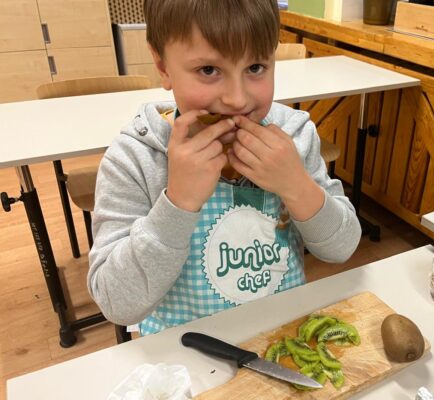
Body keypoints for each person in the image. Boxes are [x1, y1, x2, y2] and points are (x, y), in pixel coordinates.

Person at [88, 0, 361, 336]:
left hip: (281, 339)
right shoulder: (135, 158)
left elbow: (342, 248)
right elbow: (117, 303)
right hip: (183, 348)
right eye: (208, 70)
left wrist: (297, 186)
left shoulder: (294, 138)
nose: (237, 99)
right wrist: (177, 203)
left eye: (256, 67)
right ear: (162, 66)